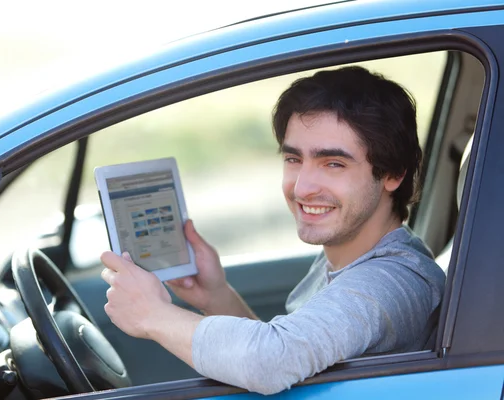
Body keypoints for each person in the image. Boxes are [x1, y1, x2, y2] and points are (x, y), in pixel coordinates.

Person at [99, 66, 446, 395]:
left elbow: (270, 360)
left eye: (333, 164)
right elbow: (292, 356)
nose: (302, 188)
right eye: (294, 159)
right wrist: (215, 295)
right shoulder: (347, 253)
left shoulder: (393, 281)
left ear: (393, 174)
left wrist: (153, 315)